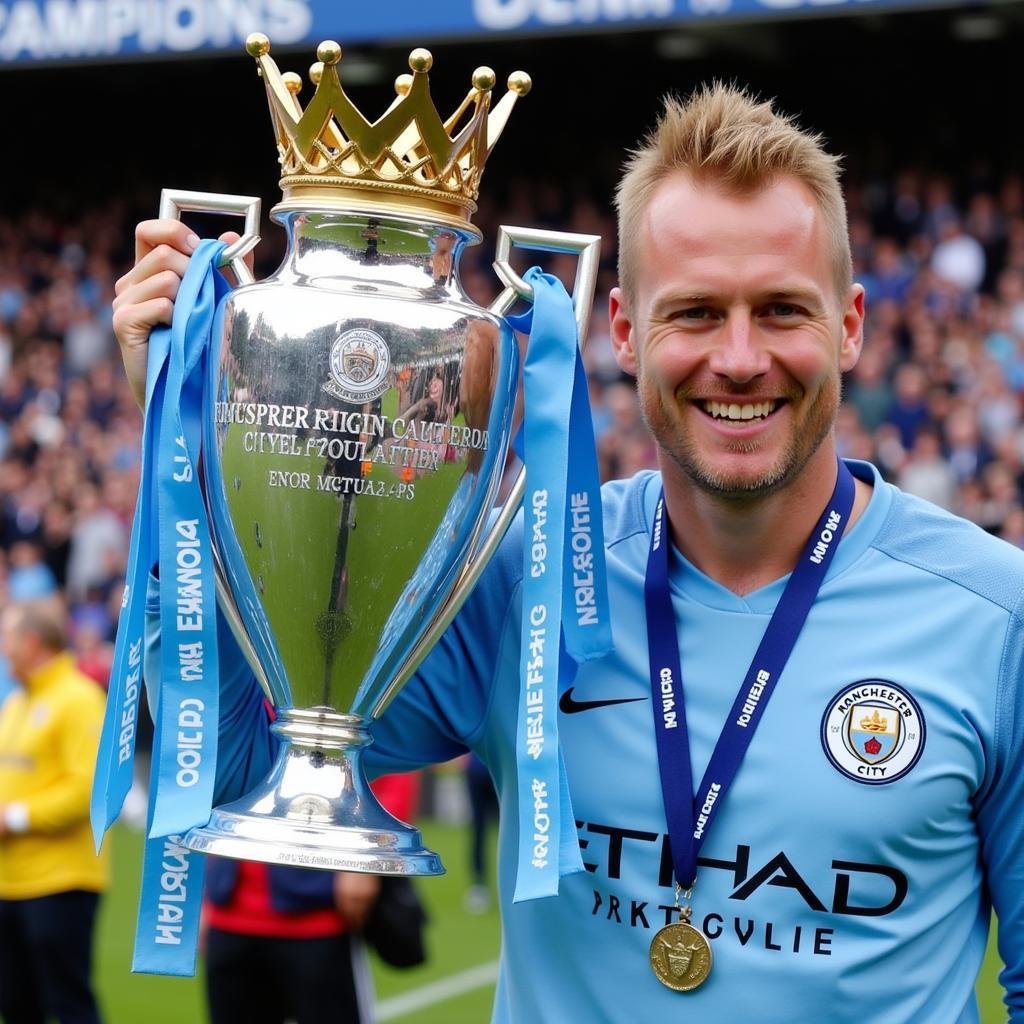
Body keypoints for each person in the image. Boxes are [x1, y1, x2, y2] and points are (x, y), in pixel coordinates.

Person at [112, 84, 1024, 1022]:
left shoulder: (997, 620)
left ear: (853, 324)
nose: (742, 358)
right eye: (697, 313)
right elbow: (236, 772)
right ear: (624, 330)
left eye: (784, 310)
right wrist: (180, 452)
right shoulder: (523, 575)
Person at [0, 599, 109, 1024]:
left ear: (31, 642)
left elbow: (87, 789)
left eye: (7, 638)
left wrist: (13, 818)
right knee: (15, 1005)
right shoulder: (16, 703)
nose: (3, 648)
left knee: (68, 1005)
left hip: (62, 882)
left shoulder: (79, 699)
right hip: (11, 883)